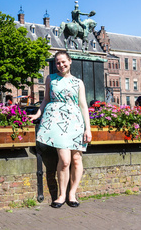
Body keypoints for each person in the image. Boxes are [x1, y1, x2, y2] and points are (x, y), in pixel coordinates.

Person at [29, 50, 92, 208]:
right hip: (57, 121)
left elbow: (83, 106)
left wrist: (87, 129)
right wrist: (37, 114)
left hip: (75, 123)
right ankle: (61, 195)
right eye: (57, 62)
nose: (61, 65)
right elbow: (46, 100)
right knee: (64, 161)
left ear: (70, 61)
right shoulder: (50, 79)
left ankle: (72, 194)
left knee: (76, 160)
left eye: (63, 61)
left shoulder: (78, 82)